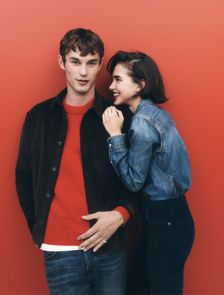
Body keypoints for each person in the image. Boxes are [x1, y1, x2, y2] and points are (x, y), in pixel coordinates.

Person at [15, 29, 139, 295]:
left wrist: (121, 214)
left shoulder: (119, 118)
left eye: (91, 63)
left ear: (99, 65)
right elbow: (24, 178)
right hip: (59, 252)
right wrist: (42, 228)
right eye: (75, 62)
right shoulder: (38, 117)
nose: (83, 72)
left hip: (109, 248)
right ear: (62, 63)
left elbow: (140, 177)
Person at [102, 51, 195, 295]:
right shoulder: (156, 115)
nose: (111, 86)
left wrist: (115, 135)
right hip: (169, 218)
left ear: (140, 84)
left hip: (166, 222)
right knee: (139, 286)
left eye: (118, 80)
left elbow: (133, 181)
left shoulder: (142, 123)